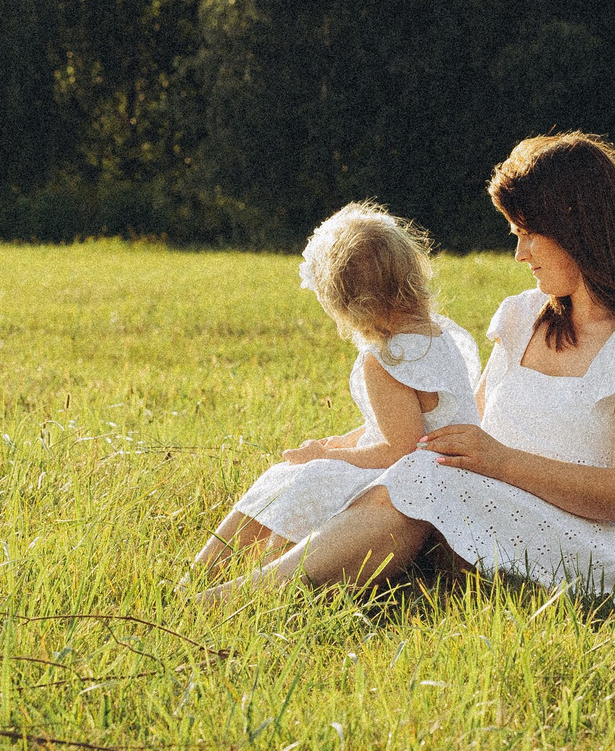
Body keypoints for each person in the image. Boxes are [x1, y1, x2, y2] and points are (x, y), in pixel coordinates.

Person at [201, 132, 615, 608]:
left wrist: (500, 462)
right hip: (499, 505)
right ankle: (248, 576)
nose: (520, 254)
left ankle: (237, 602)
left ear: (578, 228)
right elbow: (470, 420)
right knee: (382, 470)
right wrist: (350, 450)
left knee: (422, 480)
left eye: (528, 233)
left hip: (602, 549)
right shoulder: (525, 317)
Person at [191, 203, 482, 573]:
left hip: (411, 477)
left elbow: (400, 449)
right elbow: (409, 422)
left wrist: (327, 458)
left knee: (302, 477)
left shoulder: (387, 361)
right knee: (301, 476)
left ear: (346, 303)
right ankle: (240, 567)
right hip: (443, 471)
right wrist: (342, 441)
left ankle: (213, 570)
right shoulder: (442, 336)